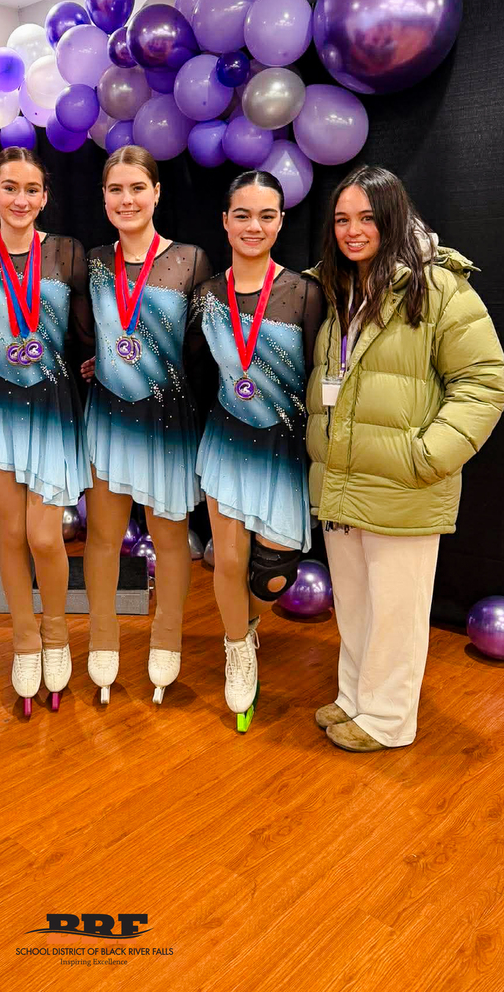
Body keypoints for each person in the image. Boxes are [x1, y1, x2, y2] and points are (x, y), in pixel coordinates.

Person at [306, 165, 504, 751]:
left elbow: (484, 381)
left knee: (397, 612)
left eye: (367, 218)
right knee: (359, 606)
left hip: (404, 482)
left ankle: (389, 720)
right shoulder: (336, 288)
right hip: (342, 478)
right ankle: (354, 700)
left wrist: (426, 457)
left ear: (393, 218)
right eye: (342, 219)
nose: (353, 230)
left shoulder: (439, 287)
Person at [0, 147, 92, 717]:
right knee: (10, 534)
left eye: (32, 189)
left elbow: (90, 323)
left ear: (45, 196)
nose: (21, 199)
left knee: (43, 536)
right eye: (9, 187)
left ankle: (56, 634)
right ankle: (24, 641)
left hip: (53, 406)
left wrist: (97, 359)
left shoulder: (65, 251)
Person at [192, 171, 325, 731]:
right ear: (225, 221)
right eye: (242, 215)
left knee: (270, 574)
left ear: (281, 221)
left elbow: (325, 374)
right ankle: (237, 648)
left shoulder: (304, 292)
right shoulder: (205, 295)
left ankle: (247, 623)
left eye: (266, 215)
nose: (253, 225)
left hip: (284, 449)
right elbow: (187, 364)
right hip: (226, 440)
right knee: (227, 560)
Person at [84, 145, 212, 705]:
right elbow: (91, 335)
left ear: (157, 192)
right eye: (116, 189)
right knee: (103, 538)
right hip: (109, 417)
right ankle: (103, 641)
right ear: (104, 197)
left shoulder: (190, 259)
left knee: (169, 539)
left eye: (138, 187)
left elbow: (203, 349)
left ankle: (166, 641)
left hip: (167, 420)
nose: (127, 199)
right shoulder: (91, 261)